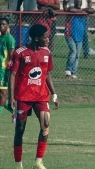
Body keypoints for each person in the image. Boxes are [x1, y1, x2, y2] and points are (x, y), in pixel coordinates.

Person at [7, 24, 59, 169]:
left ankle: (38, 162)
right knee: (20, 129)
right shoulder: (20, 52)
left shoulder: (46, 52)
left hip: (41, 96)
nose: (48, 39)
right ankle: (18, 164)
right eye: (45, 37)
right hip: (23, 96)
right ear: (36, 38)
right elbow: (12, 74)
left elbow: (47, 73)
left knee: (45, 124)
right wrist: (11, 98)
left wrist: (54, 93)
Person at [64, 0, 95, 79]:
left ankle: (74, 72)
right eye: (77, 1)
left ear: (82, 3)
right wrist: (82, 11)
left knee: (77, 55)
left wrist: (83, 10)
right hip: (69, 34)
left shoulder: (84, 12)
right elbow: (70, 9)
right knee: (73, 51)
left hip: (79, 36)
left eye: (80, 2)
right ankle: (68, 70)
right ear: (74, 2)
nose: (78, 3)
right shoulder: (71, 10)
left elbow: (92, 10)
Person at [0, 18, 15, 116]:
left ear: (8, 26)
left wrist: (9, 70)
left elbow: (11, 57)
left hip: (3, 70)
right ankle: (14, 112)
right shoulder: (0, 37)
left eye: (3, 24)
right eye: (0, 24)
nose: (1, 26)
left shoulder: (9, 39)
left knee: (2, 93)